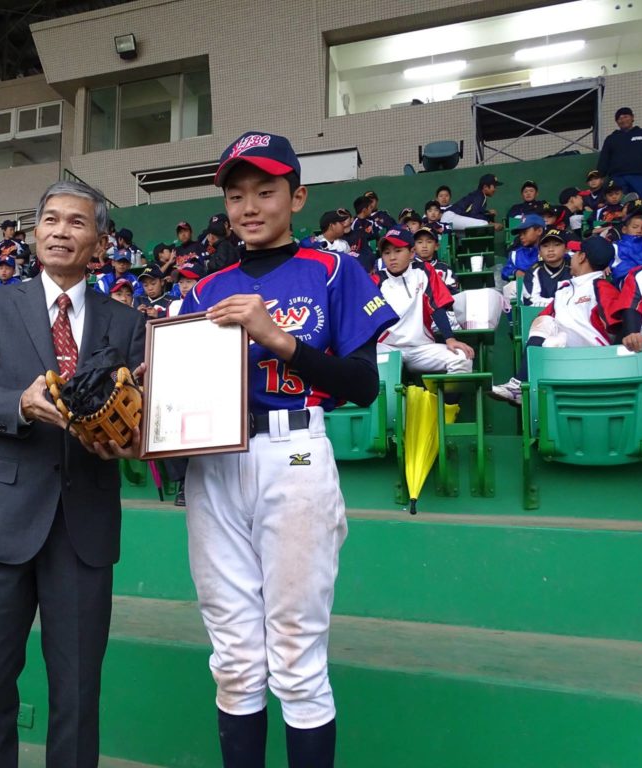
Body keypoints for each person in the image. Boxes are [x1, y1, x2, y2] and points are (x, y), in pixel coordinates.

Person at [177, 132, 396, 768]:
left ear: (296, 197)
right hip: (214, 464)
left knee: (297, 657)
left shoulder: (334, 269)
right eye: (236, 195)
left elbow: (361, 386)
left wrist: (278, 339)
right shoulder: (203, 290)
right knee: (235, 659)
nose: (249, 206)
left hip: (294, 450)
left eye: (265, 191)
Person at [0, 179, 146, 768]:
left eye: (77, 222)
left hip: (83, 530)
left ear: (99, 242)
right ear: (34, 233)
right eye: (51, 219)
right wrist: (19, 404)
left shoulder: (128, 323)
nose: (61, 231)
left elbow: (145, 418)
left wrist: (135, 441)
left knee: (78, 696)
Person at [492, 237, 621, 404]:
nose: (571, 257)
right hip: (563, 355)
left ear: (582, 257)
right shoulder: (564, 290)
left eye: (574, 253)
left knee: (550, 334)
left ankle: (521, 385)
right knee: (545, 324)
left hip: (593, 357)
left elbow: (618, 327)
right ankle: (522, 387)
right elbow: (542, 320)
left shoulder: (602, 288)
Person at [372, 228, 474, 377]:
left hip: (420, 348)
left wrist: (450, 338)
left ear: (412, 252)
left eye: (398, 251)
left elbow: (437, 306)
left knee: (462, 357)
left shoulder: (423, 271)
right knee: (369, 364)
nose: (392, 257)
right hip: (387, 347)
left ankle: (445, 394)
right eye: (387, 253)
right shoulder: (375, 281)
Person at [597, 107, 642, 200]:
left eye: (626, 116)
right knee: (618, 203)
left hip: (639, 176)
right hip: (617, 178)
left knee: (640, 203)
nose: (623, 120)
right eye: (619, 118)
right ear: (617, 122)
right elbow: (604, 160)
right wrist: (599, 177)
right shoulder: (611, 138)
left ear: (632, 117)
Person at [500, 214, 545, 302]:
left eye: (524, 232)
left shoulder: (550, 250)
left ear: (539, 231)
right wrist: (515, 271)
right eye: (520, 234)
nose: (521, 236)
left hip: (548, 287)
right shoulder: (516, 253)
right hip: (527, 289)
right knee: (510, 287)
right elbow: (505, 271)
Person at [522, 229, 571, 307]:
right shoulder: (533, 271)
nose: (550, 249)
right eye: (545, 246)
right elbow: (532, 301)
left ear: (566, 249)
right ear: (539, 252)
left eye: (556, 245)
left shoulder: (574, 268)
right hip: (539, 313)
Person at [610, 203, 642, 285]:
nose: (639, 230)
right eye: (635, 227)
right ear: (624, 230)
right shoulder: (616, 246)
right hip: (626, 279)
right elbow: (608, 261)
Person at [413, 227, 457, 293]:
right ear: (414, 247)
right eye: (420, 242)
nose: (424, 246)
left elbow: (452, 291)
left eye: (429, 242)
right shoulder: (409, 267)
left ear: (436, 246)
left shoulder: (445, 268)